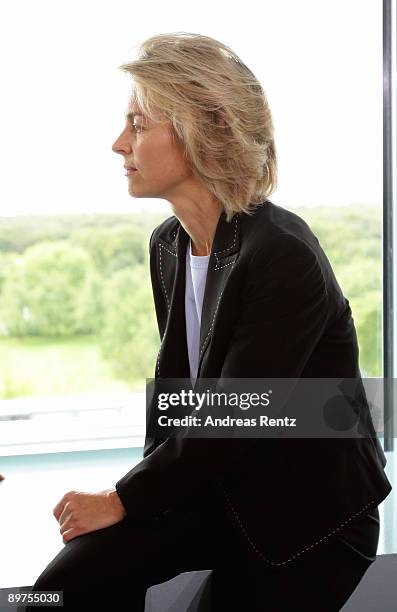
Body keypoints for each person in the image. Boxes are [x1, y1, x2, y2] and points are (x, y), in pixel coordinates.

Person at [25, 32, 392, 611]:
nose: (119, 143)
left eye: (138, 124)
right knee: (63, 589)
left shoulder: (282, 253)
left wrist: (121, 499)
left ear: (201, 132)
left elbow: (239, 415)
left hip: (306, 517)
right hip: (221, 485)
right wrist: (129, 503)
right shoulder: (169, 245)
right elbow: (179, 394)